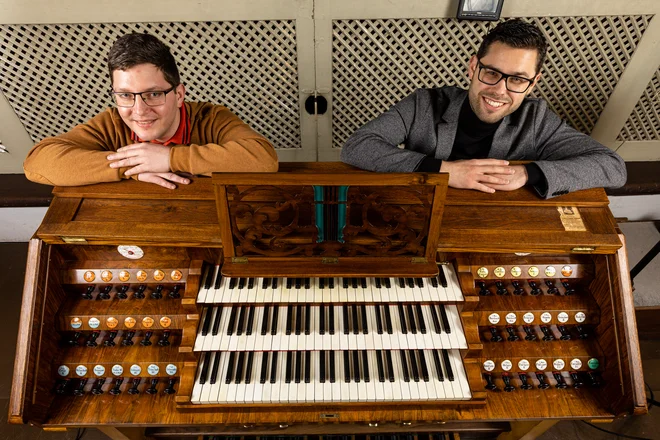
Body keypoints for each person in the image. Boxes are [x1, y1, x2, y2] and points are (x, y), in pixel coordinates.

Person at [340, 19, 626, 198]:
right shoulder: (423, 103)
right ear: (473, 66)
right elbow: (357, 146)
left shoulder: (537, 120)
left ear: (533, 83)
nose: (500, 90)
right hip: (421, 213)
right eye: (491, 73)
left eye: (517, 79)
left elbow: (612, 167)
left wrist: (528, 174)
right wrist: (444, 170)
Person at [23, 33, 278, 189]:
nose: (139, 110)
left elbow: (263, 159)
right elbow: (37, 162)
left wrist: (168, 158)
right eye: (125, 95)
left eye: (154, 94)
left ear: (178, 94)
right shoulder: (111, 122)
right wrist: (133, 166)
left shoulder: (210, 118)